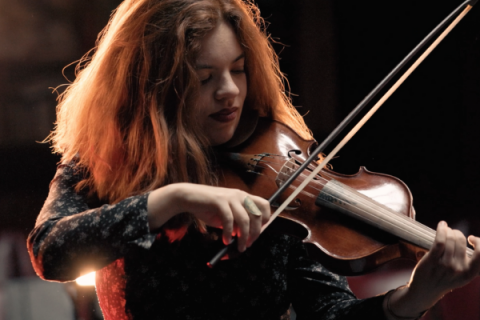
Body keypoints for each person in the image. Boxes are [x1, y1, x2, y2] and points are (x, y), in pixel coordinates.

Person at [27, 0, 480, 319]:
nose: (230, 92)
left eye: (238, 69)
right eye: (205, 77)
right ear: (153, 89)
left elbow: (332, 314)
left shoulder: (282, 178)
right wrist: (172, 198)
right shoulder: (105, 166)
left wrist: (418, 294)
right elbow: (52, 252)